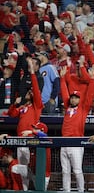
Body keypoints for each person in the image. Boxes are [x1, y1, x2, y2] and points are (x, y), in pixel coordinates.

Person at [59, 64, 94, 192]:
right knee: (65, 171)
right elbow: (64, 92)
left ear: (80, 100)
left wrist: (92, 80)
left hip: (76, 142)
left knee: (77, 170)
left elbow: (90, 95)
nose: (73, 99)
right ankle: (66, 190)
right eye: (73, 97)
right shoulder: (67, 108)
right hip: (64, 142)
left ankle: (81, 191)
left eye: (76, 98)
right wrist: (62, 79)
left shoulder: (83, 109)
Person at [7, 58, 43, 190]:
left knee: (26, 167)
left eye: (31, 91)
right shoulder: (23, 107)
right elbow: (12, 114)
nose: (29, 92)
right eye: (28, 91)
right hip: (20, 141)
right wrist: (15, 103)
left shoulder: (37, 106)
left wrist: (32, 73)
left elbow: (36, 90)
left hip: (29, 141)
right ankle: (25, 189)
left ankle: (35, 182)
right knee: (23, 170)